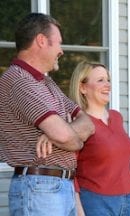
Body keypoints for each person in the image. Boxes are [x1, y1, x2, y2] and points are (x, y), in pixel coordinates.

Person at [0, 13, 95, 216]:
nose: (61, 51)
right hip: (39, 187)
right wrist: (70, 137)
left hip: (58, 186)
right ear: (42, 41)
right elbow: (68, 139)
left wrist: (57, 133)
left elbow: (88, 123)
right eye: (58, 43)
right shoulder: (18, 80)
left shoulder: (46, 83)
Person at [69, 60, 130, 216]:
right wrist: (79, 210)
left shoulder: (116, 117)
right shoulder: (80, 124)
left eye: (108, 79)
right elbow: (70, 170)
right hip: (97, 201)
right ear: (83, 88)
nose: (107, 84)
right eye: (100, 80)